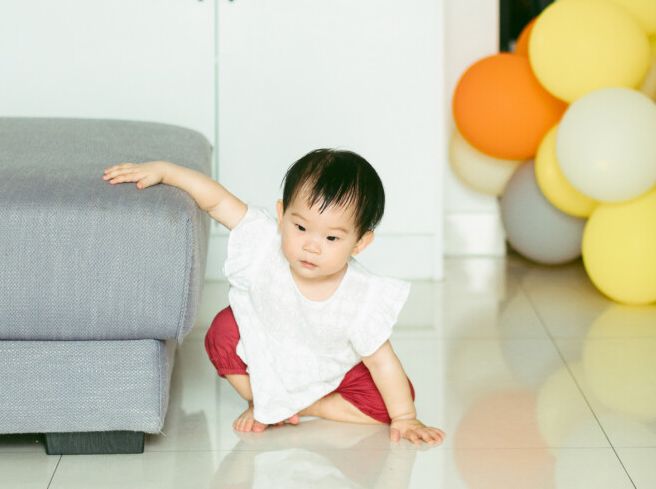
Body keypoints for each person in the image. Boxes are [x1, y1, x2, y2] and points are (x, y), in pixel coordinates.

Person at [103, 149, 445, 445]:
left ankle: (304, 405)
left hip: (332, 366)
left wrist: (404, 417)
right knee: (223, 331)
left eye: (331, 238)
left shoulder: (361, 296)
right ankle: (265, 399)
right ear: (281, 215)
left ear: (359, 243)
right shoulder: (264, 240)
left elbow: (382, 362)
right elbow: (217, 201)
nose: (311, 245)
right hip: (268, 349)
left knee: (394, 398)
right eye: (300, 228)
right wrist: (165, 171)